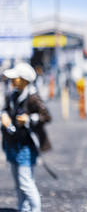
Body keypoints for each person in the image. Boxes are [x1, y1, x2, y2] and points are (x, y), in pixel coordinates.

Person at [1, 62, 52, 212]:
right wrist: (3, 116)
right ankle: (23, 208)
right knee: (19, 184)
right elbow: (5, 110)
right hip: (11, 143)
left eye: (15, 78)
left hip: (25, 146)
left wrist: (29, 119)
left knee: (26, 183)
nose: (12, 80)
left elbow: (46, 116)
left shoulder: (33, 97)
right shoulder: (12, 94)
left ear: (23, 79)